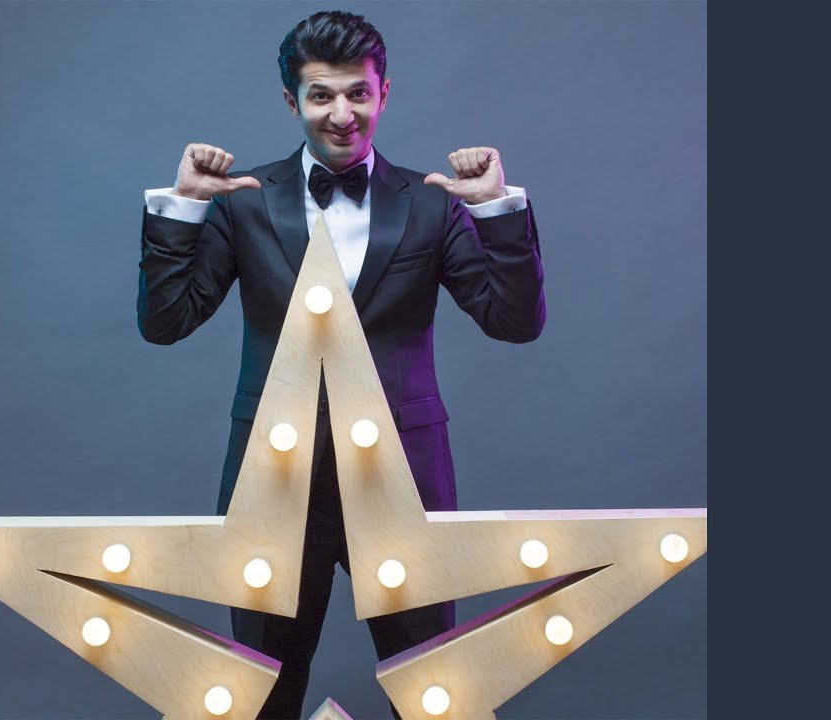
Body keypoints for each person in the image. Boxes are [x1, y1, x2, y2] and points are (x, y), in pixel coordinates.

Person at [137, 10, 545, 719]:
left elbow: (515, 323)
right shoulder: (243, 202)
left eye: (359, 92)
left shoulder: (432, 204)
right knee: (260, 695)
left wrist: (495, 212)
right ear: (291, 101)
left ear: (385, 93)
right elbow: (164, 323)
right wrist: (186, 207)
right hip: (274, 486)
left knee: (431, 694)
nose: (342, 113)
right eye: (321, 95)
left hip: (404, 483)